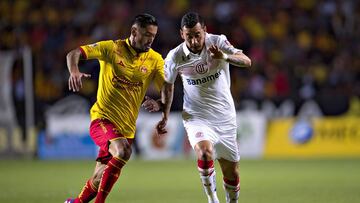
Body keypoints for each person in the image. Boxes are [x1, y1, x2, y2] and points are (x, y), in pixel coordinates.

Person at [143, 12, 251, 203]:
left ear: (205, 31)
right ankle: (212, 199)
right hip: (196, 116)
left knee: (231, 172)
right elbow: (168, 86)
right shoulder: (175, 56)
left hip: (225, 117)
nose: (193, 41)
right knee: (204, 151)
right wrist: (165, 115)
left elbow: (246, 61)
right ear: (181, 34)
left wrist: (224, 57)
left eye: (197, 35)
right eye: (189, 36)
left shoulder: (218, 41)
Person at [64, 13, 165, 203]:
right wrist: (74, 71)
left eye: (153, 36)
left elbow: (167, 90)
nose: (150, 40)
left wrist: (159, 103)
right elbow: (74, 53)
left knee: (98, 179)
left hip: (126, 128)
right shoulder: (111, 48)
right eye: (146, 35)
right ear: (134, 31)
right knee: (124, 151)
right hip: (102, 119)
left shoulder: (155, 60)